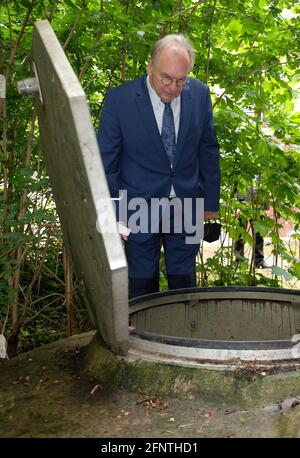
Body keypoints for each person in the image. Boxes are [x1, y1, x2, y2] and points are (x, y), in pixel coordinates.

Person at [97, 34, 220, 298]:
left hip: (187, 203)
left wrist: (210, 202)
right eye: (166, 78)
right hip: (136, 206)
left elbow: (208, 148)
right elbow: (106, 161)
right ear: (149, 67)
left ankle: (183, 336)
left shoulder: (199, 94)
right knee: (141, 284)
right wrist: (113, 209)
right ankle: (142, 336)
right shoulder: (120, 100)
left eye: (181, 80)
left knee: (184, 281)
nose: (173, 87)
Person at [234, 183, 270, 269]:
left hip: (259, 202)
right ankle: (239, 260)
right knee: (240, 233)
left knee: (259, 234)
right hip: (243, 203)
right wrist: (237, 205)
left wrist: (266, 207)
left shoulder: (263, 170)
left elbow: (266, 184)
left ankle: (259, 261)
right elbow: (238, 183)